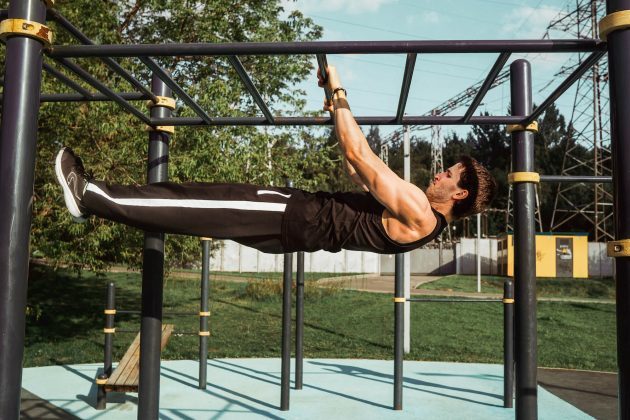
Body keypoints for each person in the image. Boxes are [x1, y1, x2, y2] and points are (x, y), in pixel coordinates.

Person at [55, 66, 497, 254]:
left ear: (459, 193)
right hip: (296, 218)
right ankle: (97, 197)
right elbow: (355, 170)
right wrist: (333, 103)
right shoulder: (418, 215)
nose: (440, 172)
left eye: (449, 173)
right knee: (195, 202)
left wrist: (341, 92)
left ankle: (91, 196)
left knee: (199, 206)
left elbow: (358, 154)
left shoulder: (420, 211)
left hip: (295, 215)